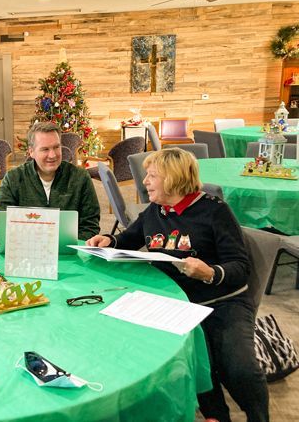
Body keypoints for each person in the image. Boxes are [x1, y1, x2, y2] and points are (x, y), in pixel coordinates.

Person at [87, 148, 268, 422]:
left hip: (222, 301)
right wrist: (108, 241)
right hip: (176, 303)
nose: (144, 181)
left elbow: (240, 268)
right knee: (195, 365)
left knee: (239, 368)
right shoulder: (155, 211)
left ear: (172, 179)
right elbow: (128, 239)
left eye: (152, 176)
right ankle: (216, 416)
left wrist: (209, 272)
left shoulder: (214, 211)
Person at [0, 122, 100, 239]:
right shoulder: (14, 178)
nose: (52, 155)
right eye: (45, 149)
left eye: (56, 147)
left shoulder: (80, 177)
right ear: (31, 151)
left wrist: (71, 244)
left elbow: (90, 225)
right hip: (26, 248)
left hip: (68, 251)